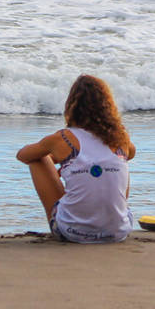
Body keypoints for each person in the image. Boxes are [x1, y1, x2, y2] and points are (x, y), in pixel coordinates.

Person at [16, 74, 136, 243]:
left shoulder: (62, 138)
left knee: (37, 158)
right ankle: (110, 216)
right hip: (118, 231)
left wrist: (55, 158)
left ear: (72, 106)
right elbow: (131, 153)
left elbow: (23, 155)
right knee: (120, 158)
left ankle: (77, 218)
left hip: (74, 233)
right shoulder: (121, 137)